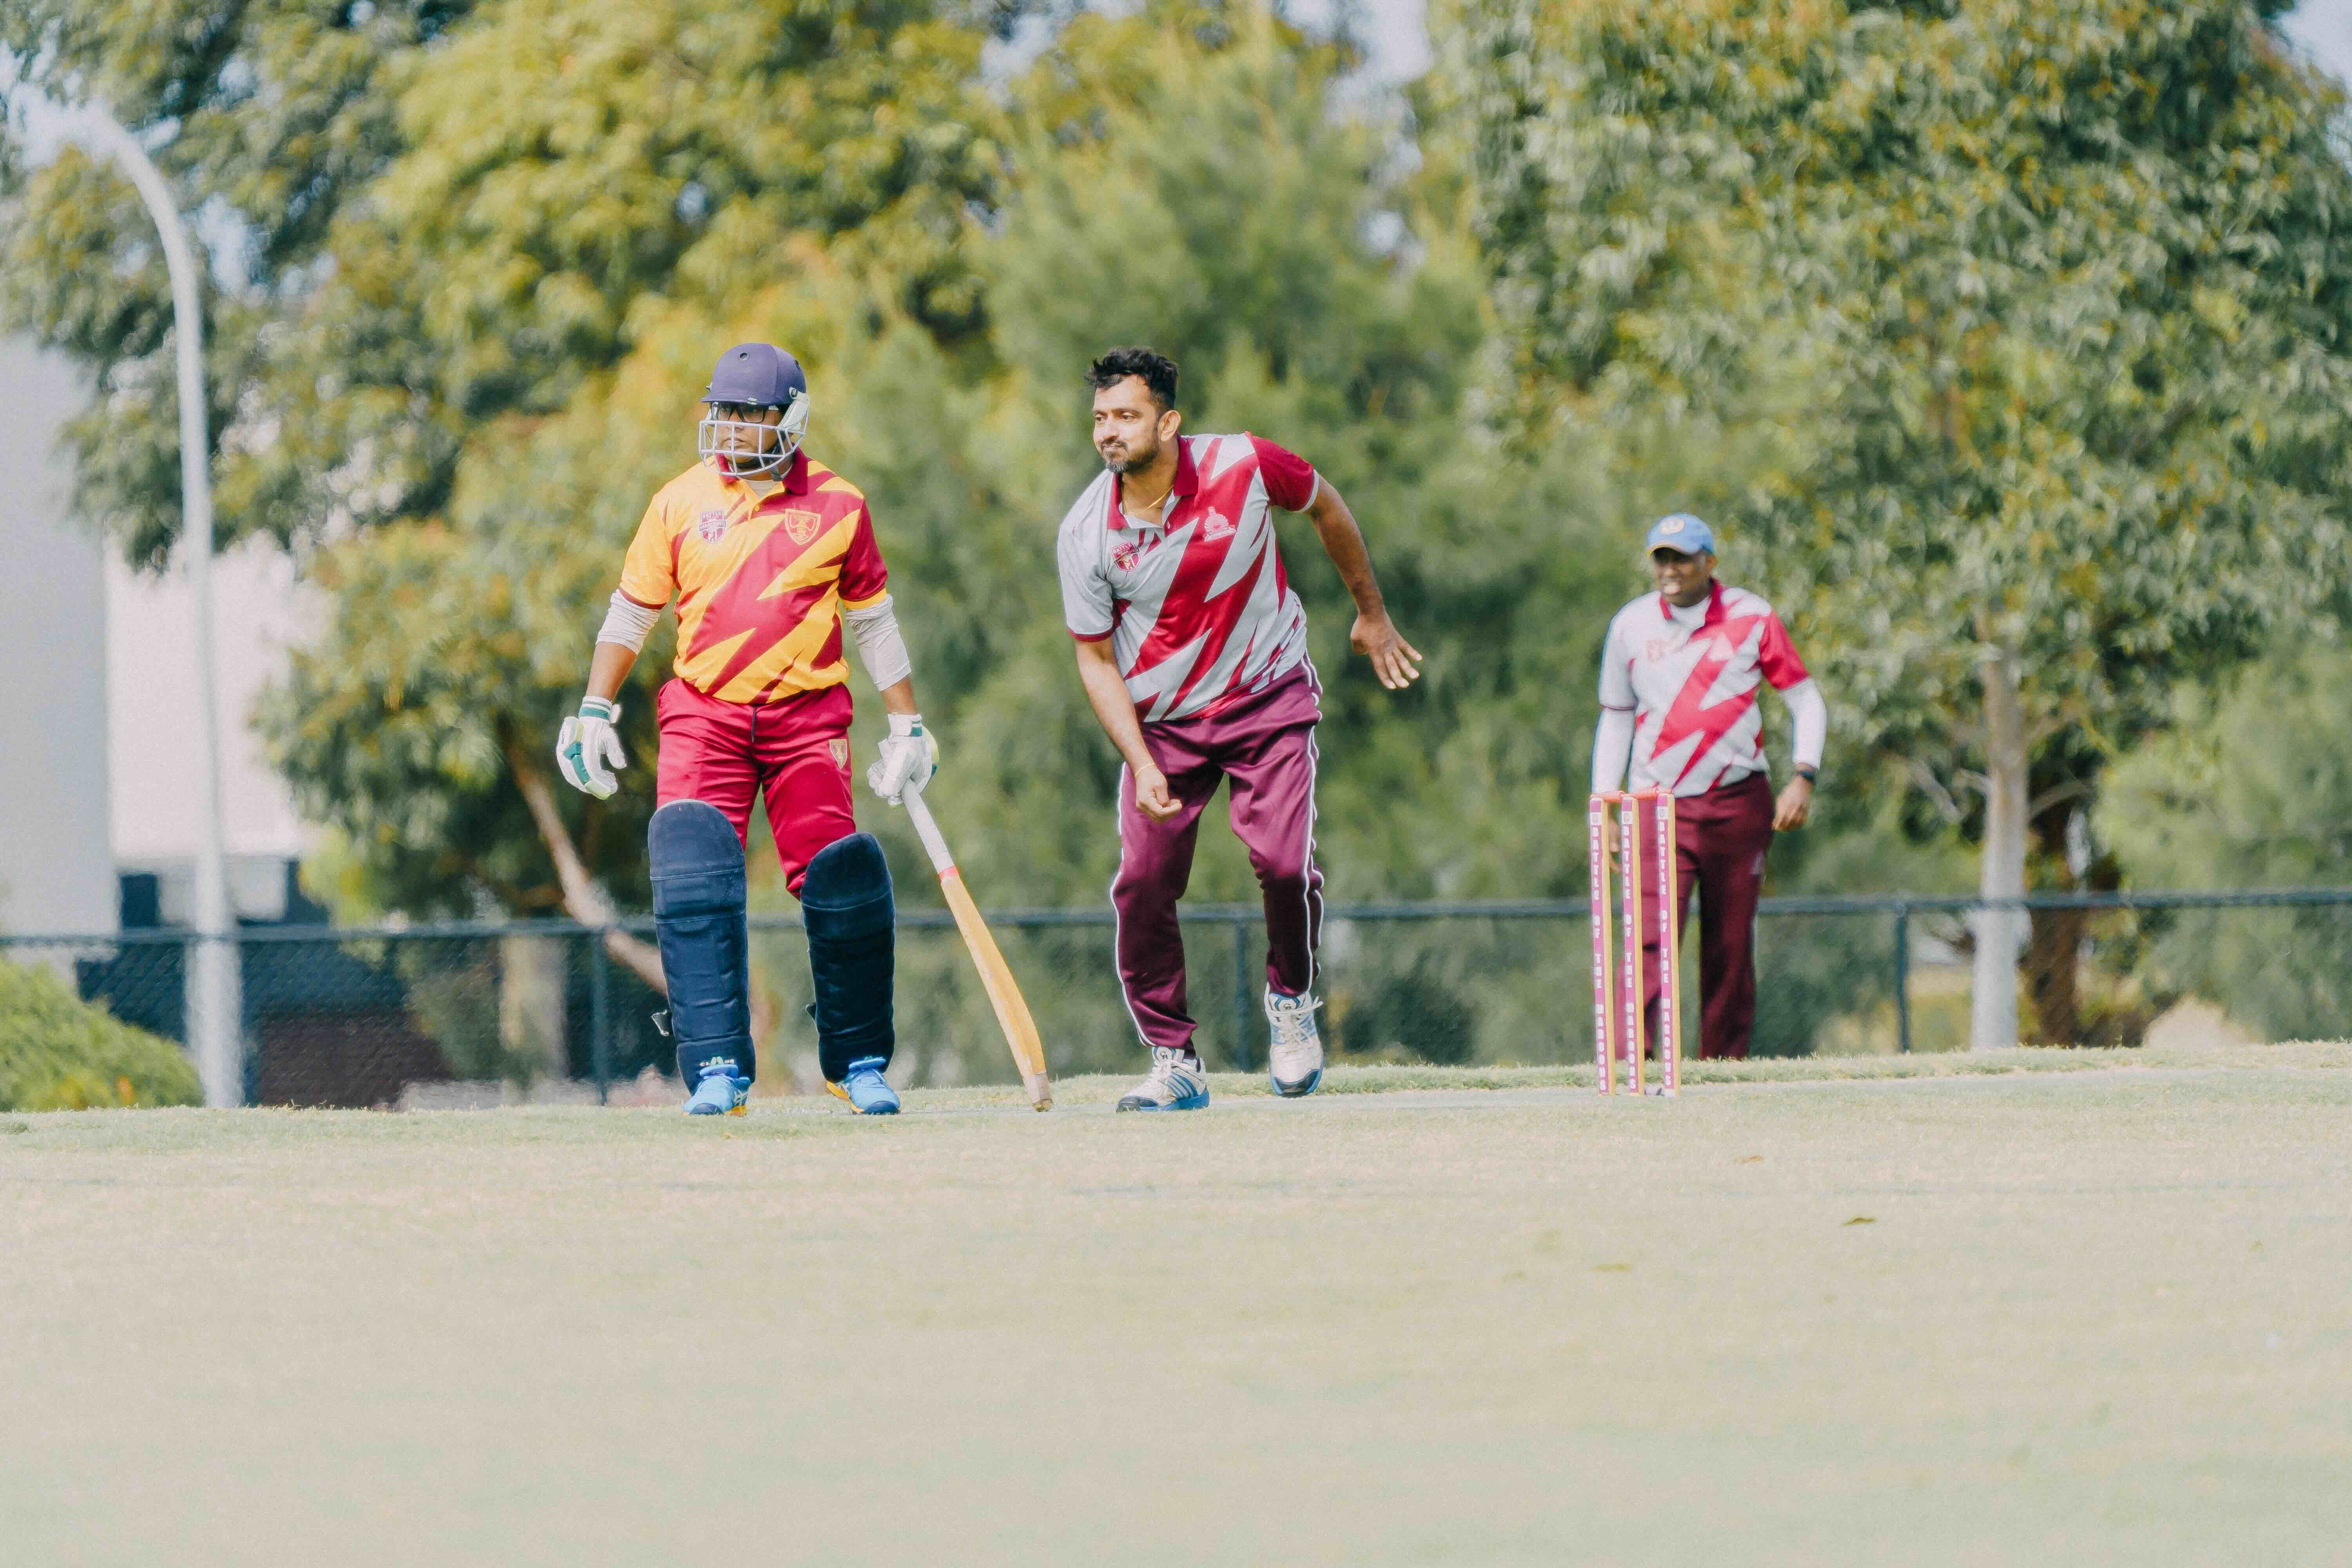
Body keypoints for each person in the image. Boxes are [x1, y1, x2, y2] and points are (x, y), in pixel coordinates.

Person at [554, 343, 937, 1116]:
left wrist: (909, 722)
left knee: (842, 881)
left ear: (790, 420)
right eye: (720, 410)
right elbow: (632, 612)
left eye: (747, 414)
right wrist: (595, 706)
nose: (727, 427)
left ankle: (856, 1059)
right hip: (706, 713)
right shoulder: (677, 501)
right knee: (693, 876)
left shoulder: (841, 505)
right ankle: (718, 1070)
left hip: (807, 716)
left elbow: (874, 622)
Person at [1056, 347, 1423, 1112]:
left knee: (1284, 865)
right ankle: (1174, 1059)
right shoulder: (1087, 530)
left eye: (1126, 415)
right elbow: (1093, 661)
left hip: (1267, 697)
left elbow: (1327, 505)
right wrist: (1140, 760)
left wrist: (1372, 612)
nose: (1109, 432)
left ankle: (1291, 1005)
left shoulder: (1246, 463)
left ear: (1169, 420)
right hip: (1162, 726)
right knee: (1142, 885)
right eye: (1099, 417)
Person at [1591, 513, 1826, 1061]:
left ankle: (1724, 1063)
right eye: (1661, 558)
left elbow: (1805, 699)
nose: (1670, 570)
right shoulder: (1630, 625)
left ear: (1709, 563)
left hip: (1738, 801)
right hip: (1655, 803)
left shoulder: (1751, 616)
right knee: (1648, 934)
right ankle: (1633, 1059)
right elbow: (1616, 717)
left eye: (1682, 558)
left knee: (1730, 942)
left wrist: (1804, 776)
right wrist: (1605, 804)